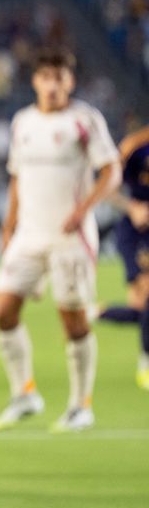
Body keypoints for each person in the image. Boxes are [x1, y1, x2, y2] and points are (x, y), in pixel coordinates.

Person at [0, 48, 119, 433]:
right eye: (45, 77)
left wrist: (85, 209)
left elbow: (111, 170)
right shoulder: (23, 122)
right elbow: (16, 177)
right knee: (3, 311)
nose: (52, 84)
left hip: (70, 238)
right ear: (35, 81)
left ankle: (81, 405)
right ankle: (24, 392)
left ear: (70, 81)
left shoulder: (85, 121)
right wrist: (8, 226)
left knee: (73, 319)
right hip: (29, 235)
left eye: (59, 77)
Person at [105, 124, 149, 389]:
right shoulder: (134, 146)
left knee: (142, 307)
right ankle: (146, 361)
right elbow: (107, 187)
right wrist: (132, 207)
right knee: (142, 299)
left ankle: (98, 312)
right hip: (137, 232)